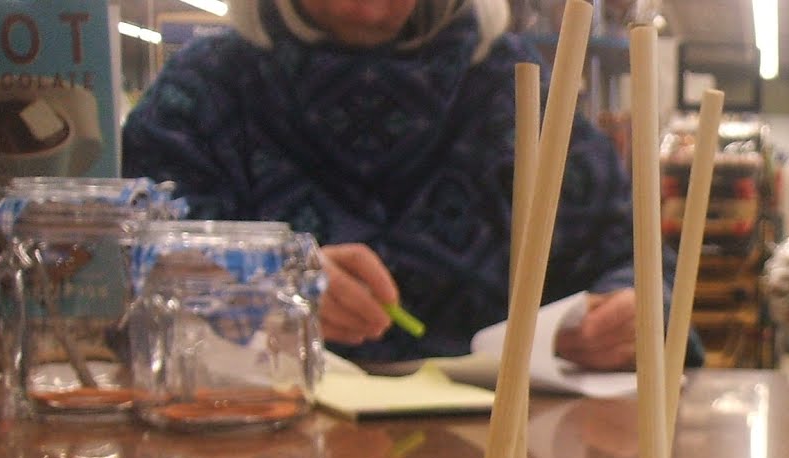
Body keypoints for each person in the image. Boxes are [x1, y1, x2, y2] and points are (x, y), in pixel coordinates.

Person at [122, 0, 647, 369]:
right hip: (253, 455)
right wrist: (267, 285)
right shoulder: (202, 92)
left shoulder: (515, 88)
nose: (368, 8)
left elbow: (628, 256)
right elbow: (129, 267)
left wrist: (626, 311)